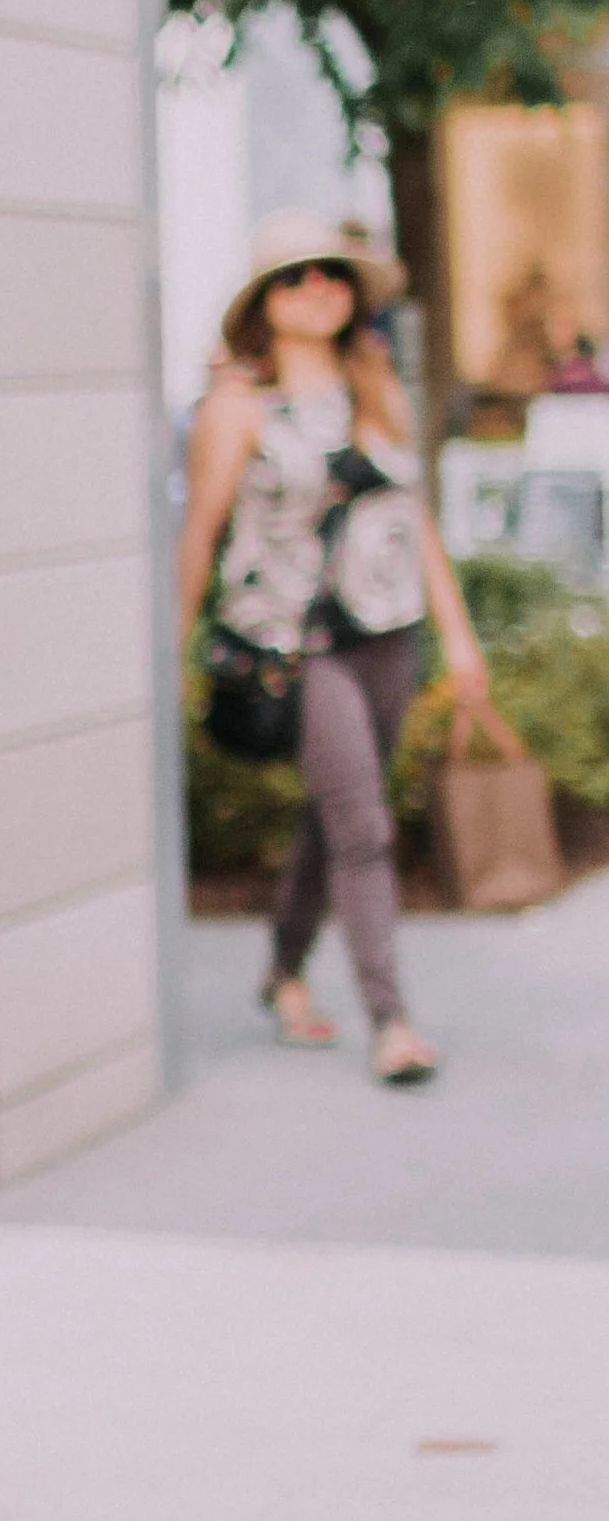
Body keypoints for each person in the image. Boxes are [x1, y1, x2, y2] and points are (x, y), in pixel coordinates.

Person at [176, 210, 488, 1086]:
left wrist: (460, 641)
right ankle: (391, 1020)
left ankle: (281, 970)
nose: (318, 288)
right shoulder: (237, 409)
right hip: (297, 643)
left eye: (332, 275)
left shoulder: (375, 386)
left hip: (389, 634)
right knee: (363, 825)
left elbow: (411, 518)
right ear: (263, 305)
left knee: (337, 813)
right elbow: (198, 535)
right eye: (296, 277)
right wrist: (173, 651)